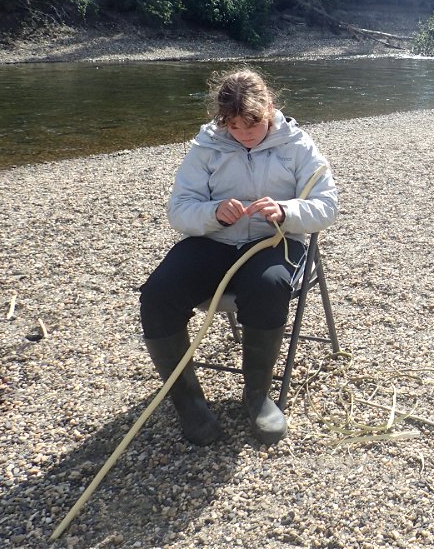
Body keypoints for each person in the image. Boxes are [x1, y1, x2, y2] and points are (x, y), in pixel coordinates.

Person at [139, 68, 338, 447]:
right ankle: (188, 403)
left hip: (273, 240)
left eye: (253, 125)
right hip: (215, 241)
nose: (245, 135)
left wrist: (286, 210)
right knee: (157, 293)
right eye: (234, 127)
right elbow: (179, 210)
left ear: (269, 109)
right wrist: (213, 212)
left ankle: (258, 396)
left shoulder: (297, 145)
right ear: (222, 120)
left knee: (268, 286)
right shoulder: (206, 148)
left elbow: (327, 206)